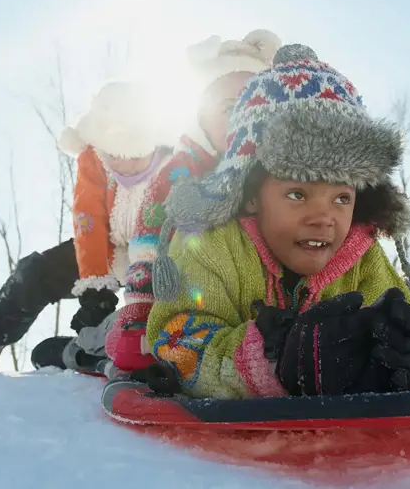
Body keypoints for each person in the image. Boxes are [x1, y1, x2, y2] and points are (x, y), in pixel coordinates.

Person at [144, 43, 410, 400]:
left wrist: (393, 352)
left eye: (342, 198)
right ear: (251, 192)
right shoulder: (210, 244)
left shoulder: (363, 257)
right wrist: (277, 360)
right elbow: (177, 339)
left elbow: (390, 320)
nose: (323, 218)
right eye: (298, 194)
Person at [33, 29, 284, 373]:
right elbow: (147, 245)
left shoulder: (292, 169)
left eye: (256, 105)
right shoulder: (181, 174)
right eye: (228, 108)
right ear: (202, 119)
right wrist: (138, 316)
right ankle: (81, 350)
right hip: (182, 305)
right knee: (131, 346)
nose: (245, 118)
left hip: (259, 309)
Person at [0, 80, 176, 371]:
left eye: (134, 157)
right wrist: (96, 287)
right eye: (115, 156)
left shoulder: (174, 161)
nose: (125, 165)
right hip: (109, 247)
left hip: (161, 252)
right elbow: (89, 220)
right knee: (34, 271)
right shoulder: (93, 158)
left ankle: (137, 342)